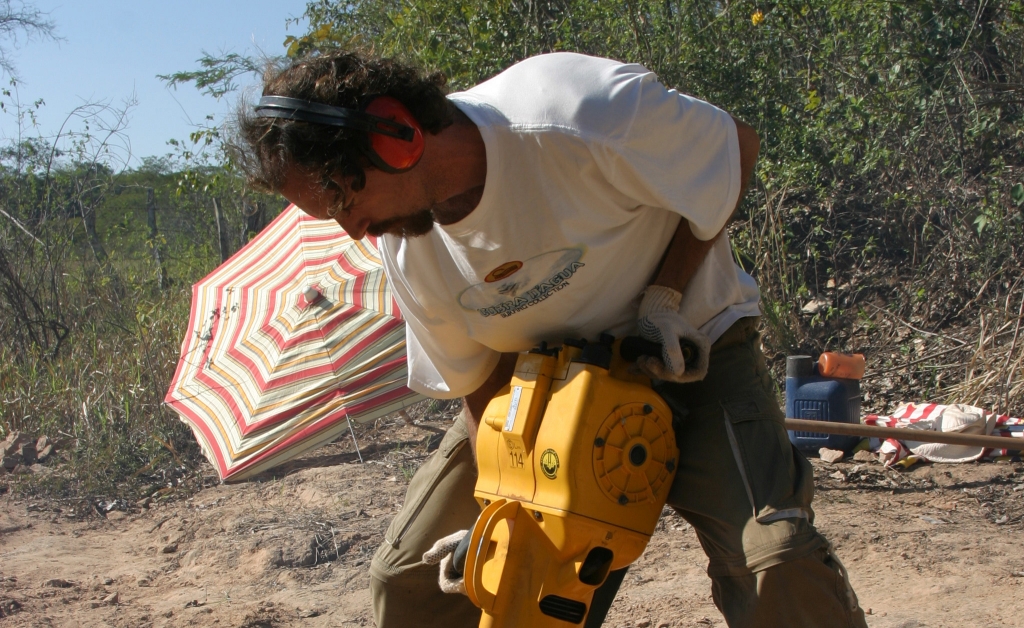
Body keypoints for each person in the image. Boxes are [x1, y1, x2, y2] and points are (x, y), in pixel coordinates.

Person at [232, 49, 868, 628]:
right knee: (416, 581)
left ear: (396, 137)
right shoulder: (406, 246)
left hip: (690, 355)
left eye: (343, 199)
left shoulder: (574, 114)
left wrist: (665, 298)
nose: (353, 231)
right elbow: (479, 383)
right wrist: (505, 498)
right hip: (538, 387)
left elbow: (733, 149)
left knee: (774, 559)